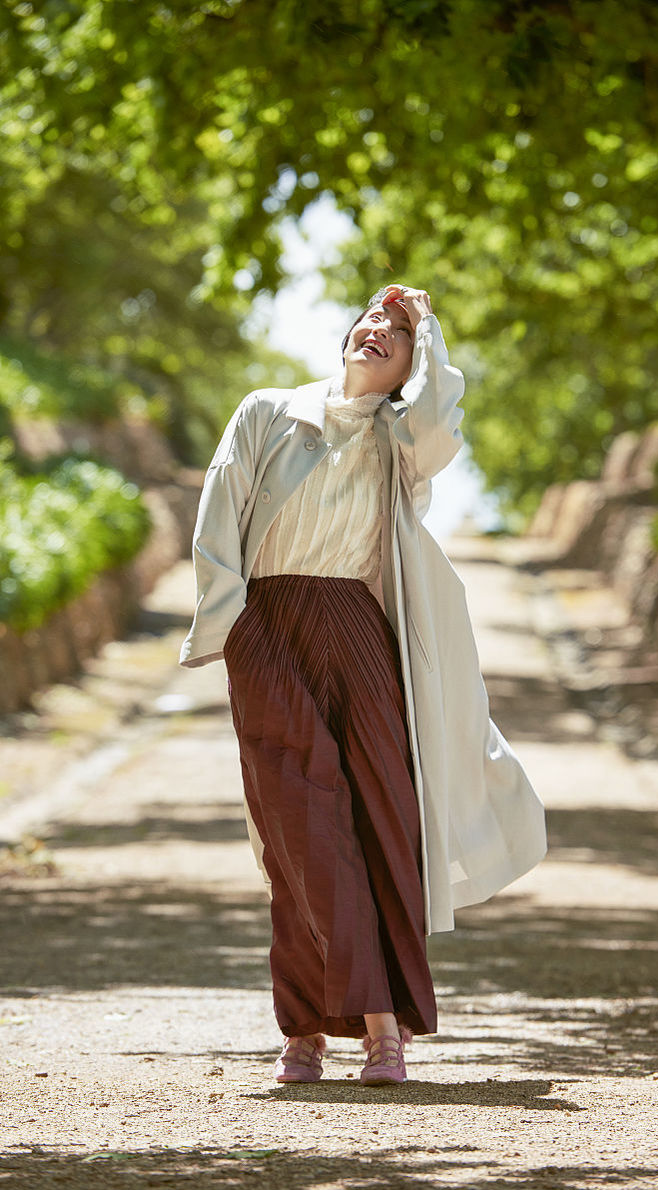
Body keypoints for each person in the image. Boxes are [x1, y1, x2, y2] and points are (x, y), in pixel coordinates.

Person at [179, 283, 547, 1085]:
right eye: (371, 319)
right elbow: (218, 522)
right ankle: (361, 1023)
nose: (378, 330)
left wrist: (432, 323)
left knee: (382, 821)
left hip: (359, 633)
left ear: (414, 364)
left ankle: (321, 1030)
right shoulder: (266, 411)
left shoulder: (401, 439)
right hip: (267, 624)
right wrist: (233, 626)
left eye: (400, 332)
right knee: (299, 823)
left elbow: (442, 419)